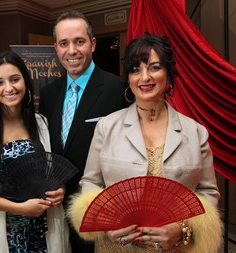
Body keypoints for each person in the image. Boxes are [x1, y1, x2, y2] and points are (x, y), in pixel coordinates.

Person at [67, 33, 223, 253]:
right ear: (128, 78)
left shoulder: (195, 133)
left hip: (175, 248)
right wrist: (105, 224)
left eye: (154, 67)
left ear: (168, 75)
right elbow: (91, 182)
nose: (144, 77)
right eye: (135, 69)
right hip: (117, 247)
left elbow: (208, 191)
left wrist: (181, 229)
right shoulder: (107, 127)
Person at [39, 10, 130, 253]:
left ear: (92, 44)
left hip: (99, 207)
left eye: (79, 41)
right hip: (56, 205)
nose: (72, 51)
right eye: (64, 43)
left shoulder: (117, 89)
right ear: (56, 48)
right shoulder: (49, 94)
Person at [0, 51, 70, 253]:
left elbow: (52, 172)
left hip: (44, 226)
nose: (9, 88)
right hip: (5, 230)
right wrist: (20, 208)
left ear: (25, 82)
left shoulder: (41, 123)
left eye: (15, 79)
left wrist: (60, 190)